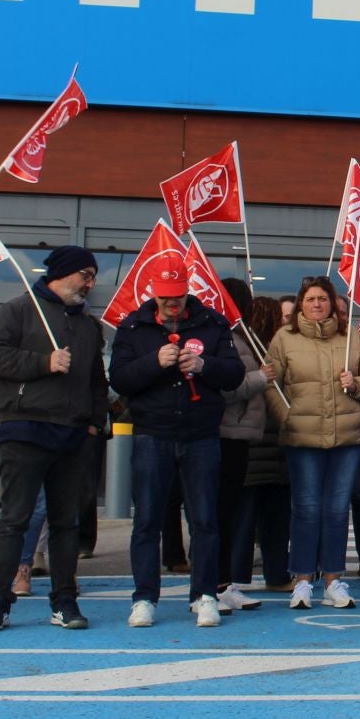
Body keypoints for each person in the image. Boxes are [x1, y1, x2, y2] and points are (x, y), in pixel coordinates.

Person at [0, 246, 109, 633]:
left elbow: (96, 381)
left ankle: (64, 601)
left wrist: (94, 422)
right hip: (25, 430)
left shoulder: (86, 324)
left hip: (72, 434)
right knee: (14, 520)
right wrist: (42, 363)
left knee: (65, 523)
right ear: (62, 273)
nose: (90, 282)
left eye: (93, 275)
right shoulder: (18, 310)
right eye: (85, 273)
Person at [109, 263, 247, 628]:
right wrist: (153, 362)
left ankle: (204, 595)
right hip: (152, 432)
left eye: (178, 297)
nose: (172, 304)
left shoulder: (213, 323)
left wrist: (203, 364)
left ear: (187, 291)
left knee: (205, 519)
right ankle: (144, 598)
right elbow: (119, 378)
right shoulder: (133, 327)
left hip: (201, 433)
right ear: (153, 293)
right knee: (148, 520)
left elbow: (234, 375)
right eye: (165, 298)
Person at [264, 276, 360, 610]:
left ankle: (333, 579)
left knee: (335, 511)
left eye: (323, 299)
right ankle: (302, 581)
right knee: (306, 509)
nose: (317, 304)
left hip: (346, 439)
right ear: (301, 303)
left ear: (333, 304)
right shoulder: (284, 338)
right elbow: (270, 383)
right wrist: (284, 417)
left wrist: (357, 383)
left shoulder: (351, 338)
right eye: (310, 299)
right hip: (302, 438)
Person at [210, 276, 267, 612]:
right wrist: (262, 377)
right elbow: (227, 386)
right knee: (219, 512)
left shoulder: (240, 338)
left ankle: (221, 583)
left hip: (239, 434)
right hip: (227, 433)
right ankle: (213, 584)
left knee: (227, 512)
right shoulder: (226, 339)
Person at [236, 296, 293, 594]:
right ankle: (275, 573)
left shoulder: (245, 348)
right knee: (272, 520)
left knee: (246, 518)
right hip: (269, 446)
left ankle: (238, 575)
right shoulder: (269, 353)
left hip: (255, 446)